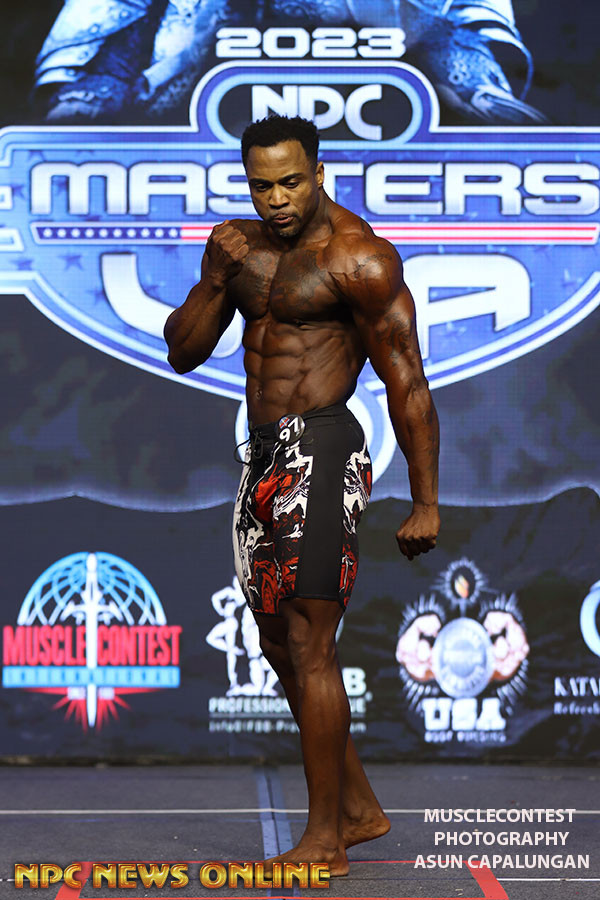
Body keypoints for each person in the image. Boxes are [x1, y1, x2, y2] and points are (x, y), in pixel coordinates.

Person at [164, 114, 440, 876]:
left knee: (312, 641)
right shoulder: (240, 251)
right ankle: (358, 808)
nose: (277, 199)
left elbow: (408, 380)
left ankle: (325, 841)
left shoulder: (358, 259)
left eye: (291, 181)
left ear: (319, 174)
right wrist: (214, 279)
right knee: (277, 644)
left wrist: (425, 501)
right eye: (262, 186)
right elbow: (183, 351)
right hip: (261, 457)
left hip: (322, 444)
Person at [34, 0, 543, 124]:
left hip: (365, 20)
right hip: (227, 24)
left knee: (433, 27)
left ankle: (474, 85)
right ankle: (104, 84)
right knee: (181, 33)